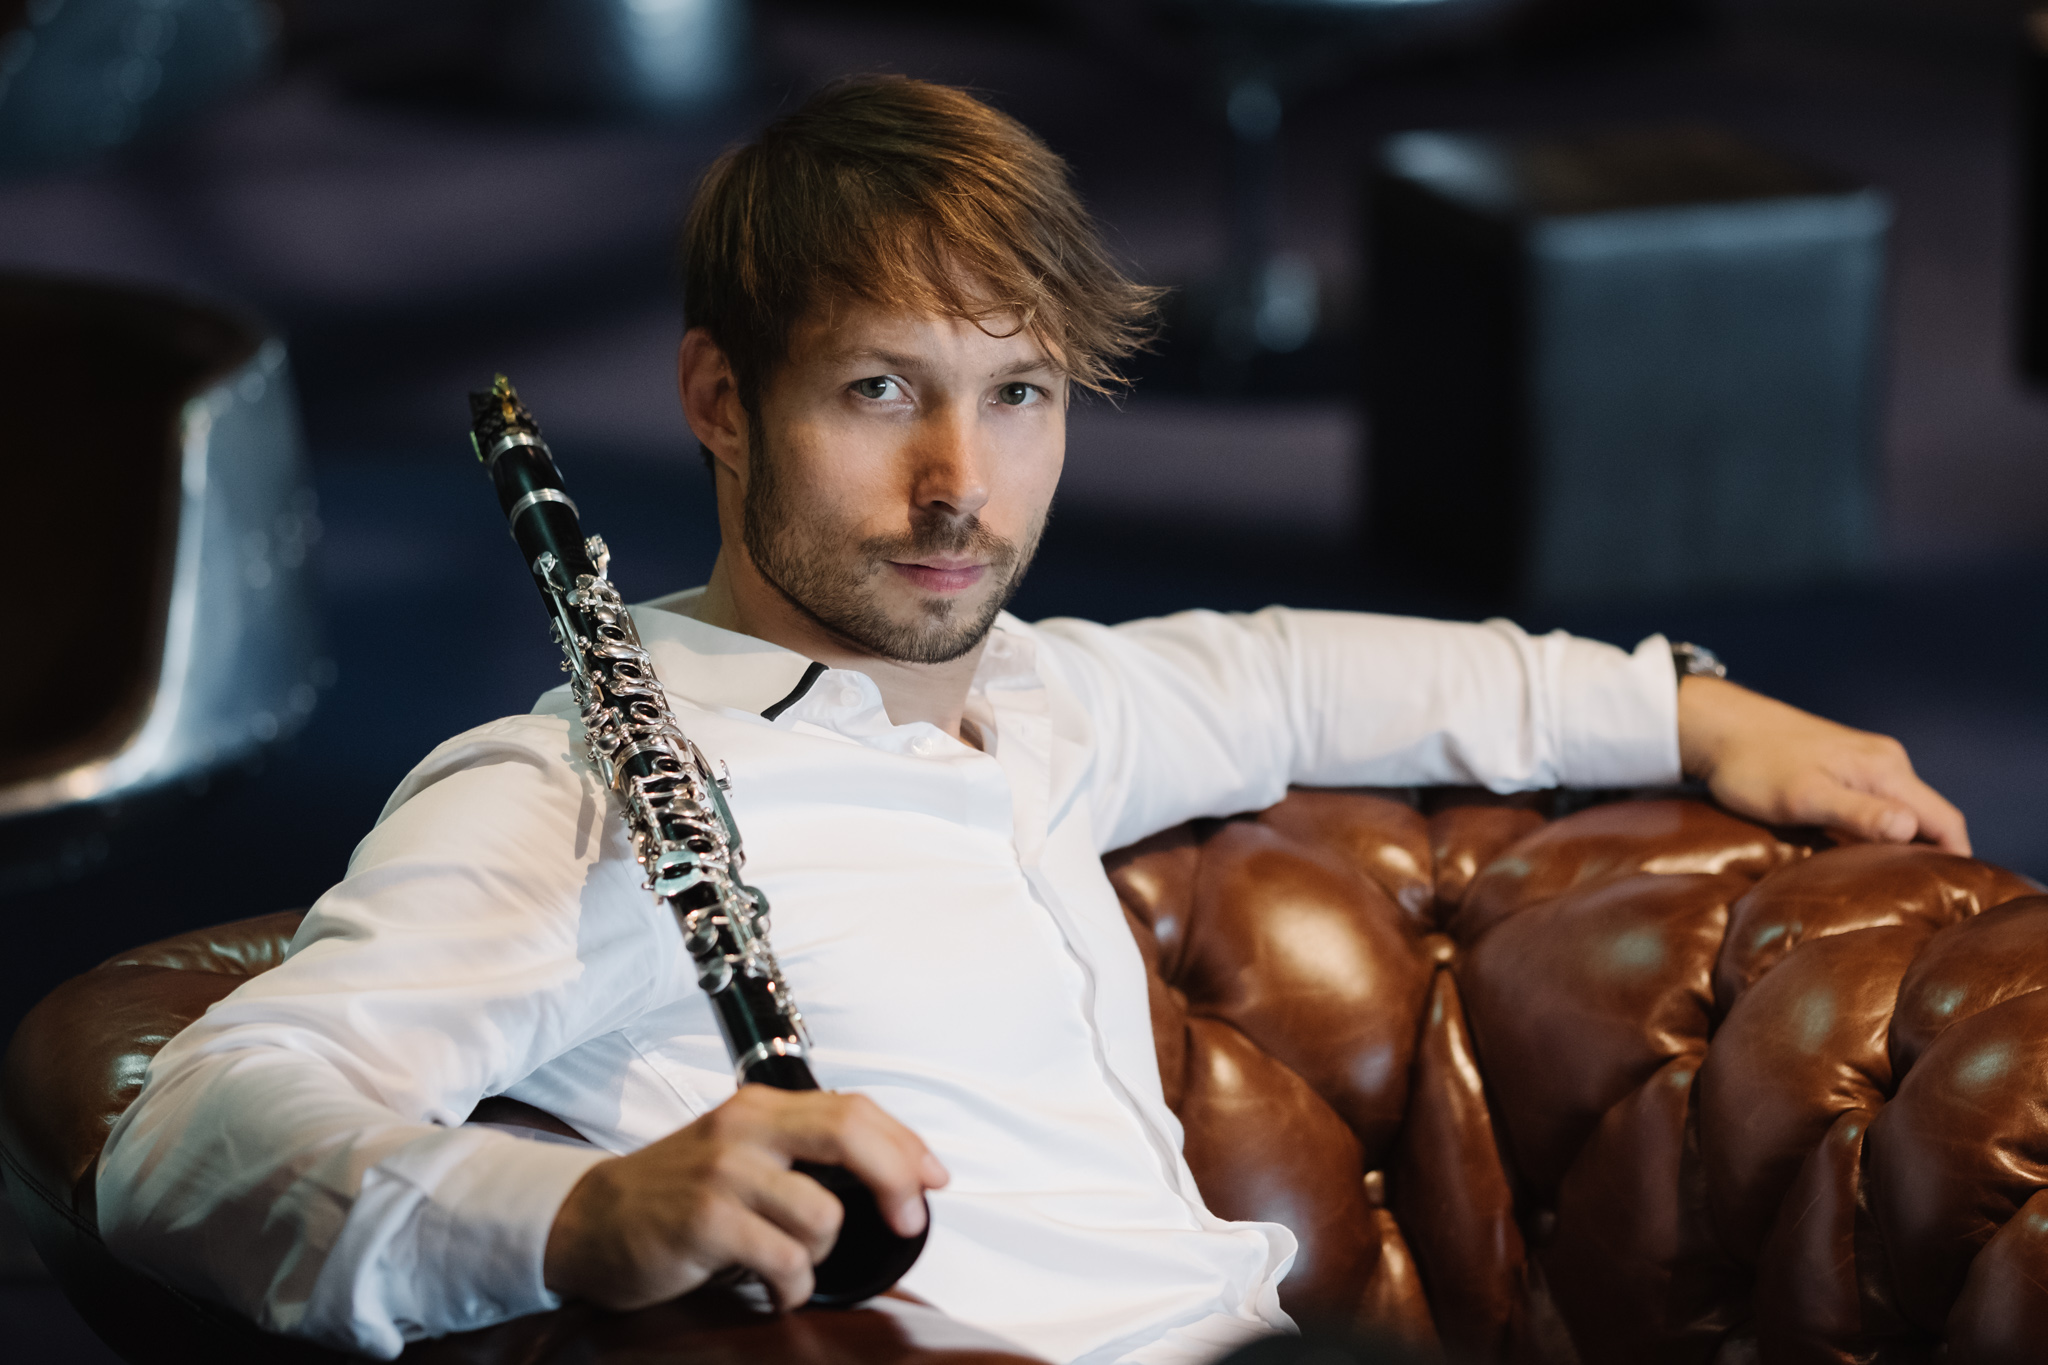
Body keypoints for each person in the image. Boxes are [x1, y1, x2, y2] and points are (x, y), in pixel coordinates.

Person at [95, 76, 1968, 1365]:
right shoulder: (573, 789)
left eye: (1020, 395)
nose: (958, 485)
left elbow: (1296, 671)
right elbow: (188, 1139)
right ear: (719, 400)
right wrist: (576, 1215)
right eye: (880, 390)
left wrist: (1689, 707)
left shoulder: (1045, 698)